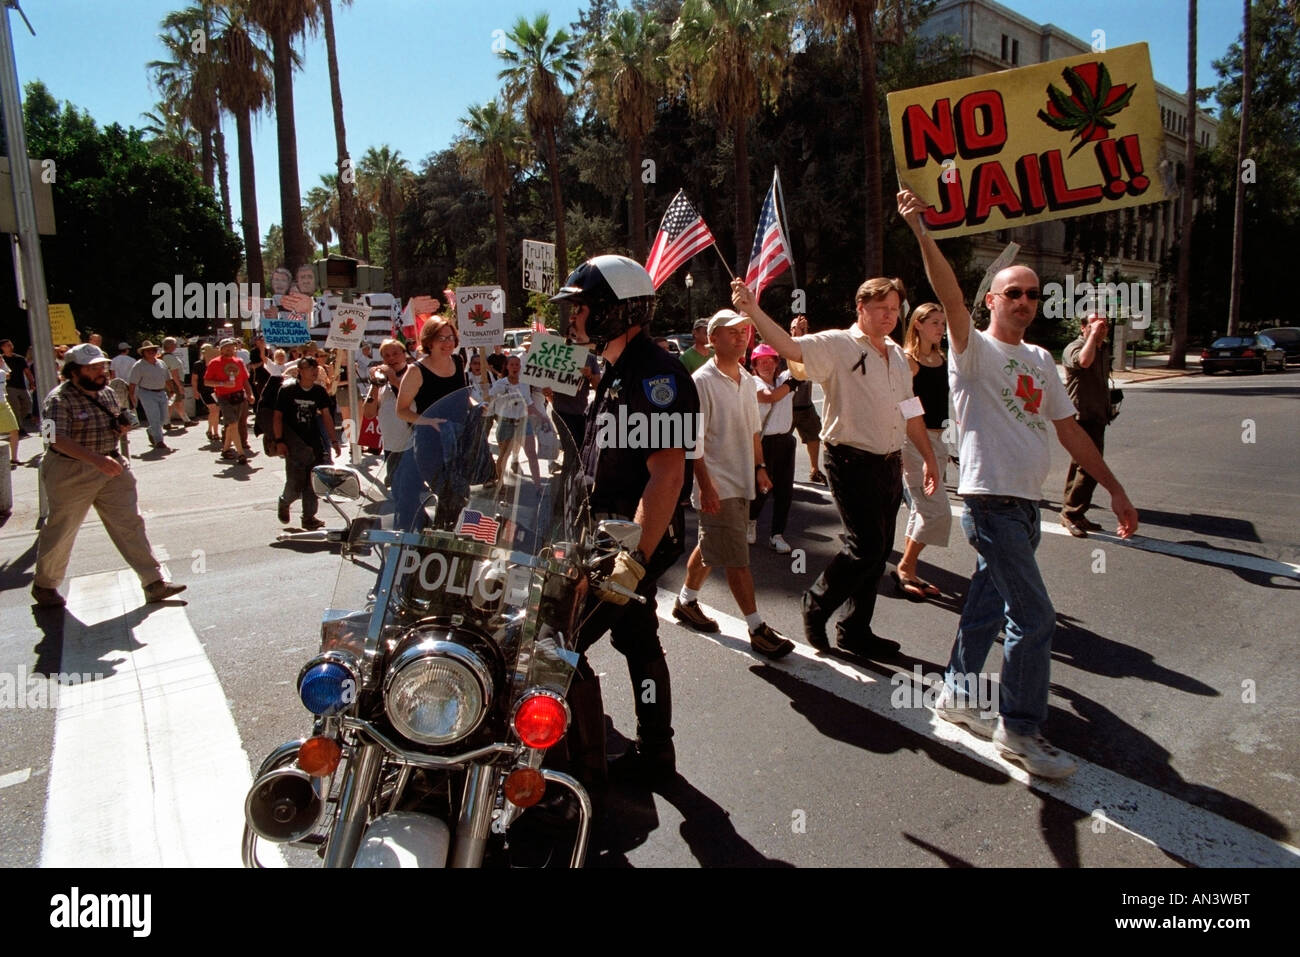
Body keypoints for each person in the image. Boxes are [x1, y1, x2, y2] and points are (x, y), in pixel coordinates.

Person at [898, 186, 1138, 779]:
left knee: (986, 605)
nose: (1025, 301)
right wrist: (921, 229)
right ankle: (1020, 731)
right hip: (989, 504)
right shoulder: (971, 349)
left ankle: (956, 695)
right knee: (1035, 619)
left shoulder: (1040, 359)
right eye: (1014, 293)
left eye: (1033, 294)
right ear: (992, 301)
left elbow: (1071, 431)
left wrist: (1113, 487)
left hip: (1029, 509)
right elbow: (949, 294)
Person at [731, 276, 939, 660]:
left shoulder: (894, 352)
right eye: (881, 309)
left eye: (894, 309)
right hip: (850, 461)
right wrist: (752, 309)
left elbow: (910, 409)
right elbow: (789, 346)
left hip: (889, 464)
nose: (890, 316)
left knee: (877, 555)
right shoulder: (838, 344)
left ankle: (855, 630)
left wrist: (928, 456)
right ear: (860, 308)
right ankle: (817, 603)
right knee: (866, 547)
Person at [550, 253, 698, 787]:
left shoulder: (656, 373)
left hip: (632, 538)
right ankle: (657, 752)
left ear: (616, 311)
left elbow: (666, 477)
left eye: (582, 308)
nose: (574, 319)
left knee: (560, 643)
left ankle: (574, 763)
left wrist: (632, 560)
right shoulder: (616, 368)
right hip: (607, 531)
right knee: (637, 640)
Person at [671, 311, 795, 659]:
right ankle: (757, 628)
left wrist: (759, 466)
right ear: (713, 340)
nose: (742, 337)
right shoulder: (701, 382)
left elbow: (754, 429)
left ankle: (685, 602)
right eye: (732, 333)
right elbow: (692, 441)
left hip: (742, 478)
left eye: (744, 332)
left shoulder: (744, 376)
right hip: (719, 482)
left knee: (714, 545)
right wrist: (705, 486)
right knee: (737, 557)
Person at [30, 344, 185, 607]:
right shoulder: (56, 399)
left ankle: (153, 582)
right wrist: (95, 459)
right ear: (74, 371)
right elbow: (51, 438)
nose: (100, 372)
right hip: (71, 470)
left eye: (101, 366)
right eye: (92, 368)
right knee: (61, 529)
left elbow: (116, 421)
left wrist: (121, 428)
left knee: (130, 524)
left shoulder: (108, 393)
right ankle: (45, 585)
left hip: (111, 465)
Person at [894, 303, 953, 599]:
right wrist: (925, 447)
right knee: (937, 511)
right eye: (934, 323)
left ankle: (909, 569)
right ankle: (905, 566)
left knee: (921, 508)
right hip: (916, 443)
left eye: (943, 323)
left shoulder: (941, 357)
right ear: (917, 324)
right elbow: (904, 405)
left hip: (939, 442)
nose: (941, 328)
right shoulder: (909, 361)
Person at [392, 316, 467, 530]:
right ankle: (434, 537)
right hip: (430, 442)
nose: (447, 343)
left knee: (461, 495)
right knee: (446, 493)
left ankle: (445, 537)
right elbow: (401, 410)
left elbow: (461, 395)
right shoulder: (416, 370)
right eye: (441, 338)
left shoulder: (458, 361)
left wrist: (479, 404)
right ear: (429, 341)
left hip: (458, 439)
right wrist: (428, 421)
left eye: (450, 337)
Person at [1060, 311, 1113, 537]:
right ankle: (1071, 513)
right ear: (1083, 328)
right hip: (1080, 415)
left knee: (1082, 466)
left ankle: (1075, 512)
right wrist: (1092, 336)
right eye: (1094, 324)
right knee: (1088, 466)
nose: (1101, 329)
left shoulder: (1103, 349)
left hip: (1097, 414)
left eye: (1104, 326)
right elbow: (1083, 361)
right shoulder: (1075, 347)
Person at [272, 356, 337, 530]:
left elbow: (327, 416)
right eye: (310, 368)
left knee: (312, 483)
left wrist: (334, 440)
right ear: (300, 371)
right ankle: (285, 502)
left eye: (316, 368)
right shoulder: (287, 391)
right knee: (295, 483)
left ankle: (308, 517)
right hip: (294, 443)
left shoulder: (319, 392)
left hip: (314, 443)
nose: (314, 371)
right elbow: (277, 417)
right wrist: (279, 441)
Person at [748, 342, 797, 554]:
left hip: (785, 441)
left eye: (771, 360)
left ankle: (777, 535)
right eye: (761, 362)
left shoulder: (785, 379)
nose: (767, 365)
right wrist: (792, 386)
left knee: (785, 491)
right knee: (761, 490)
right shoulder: (753, 383)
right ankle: (750, 521)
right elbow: (769, 397)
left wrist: (797, 336)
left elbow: (799, 360)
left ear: (777, 363)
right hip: (762, 442)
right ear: (755, 366)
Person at [359, 339, 414, 487]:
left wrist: (393, 378)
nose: (391, 358)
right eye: (386, 355)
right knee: (396, 486)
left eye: (395, 354)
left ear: (404, 354)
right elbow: (369, 414)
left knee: (408, 488)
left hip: (412, 444)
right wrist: (375, 385)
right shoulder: (382, 381)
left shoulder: (413, 373)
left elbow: (412, 399)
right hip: (391, 445)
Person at [488, 355, 541, 483]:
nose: (515, 367)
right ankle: (500, 484)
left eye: (517, 364)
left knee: (532, 454)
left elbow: (529, 402)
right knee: (504, 456)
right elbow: (489, 399)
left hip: (523, 422)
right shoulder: (500, 384)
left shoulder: (524, 384)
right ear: (507, 367)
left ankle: (538, 487)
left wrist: (543, 417)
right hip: (506, 423)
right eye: (511, 365)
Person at [787, 316, 826, 484]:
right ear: (790, 330)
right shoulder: (786, 347)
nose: (799, 329)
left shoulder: (809, 346)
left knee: (814, 436)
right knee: (780, 440)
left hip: (806, 405)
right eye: (795, 327)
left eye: (802, 327)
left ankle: (814, 469)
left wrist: (805, 333)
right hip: (787, 405)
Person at [205, 338, 254, 464]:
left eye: (232, 347)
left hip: (239, 396)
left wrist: (250, 394)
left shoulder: (239, 362)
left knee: (233, 425)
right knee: (232, 424)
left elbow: (245, 380)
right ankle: (241, 454)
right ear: (221, 349)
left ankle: (226, 449)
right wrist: (223, 383)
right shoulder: (214, 363)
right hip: (224, 397)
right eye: (226, 347)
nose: (229, 349)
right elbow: (207, 381)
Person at [127, 341, 173, 450]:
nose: (151, 352)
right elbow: (132, 383)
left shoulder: (161, 363)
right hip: (146, 392)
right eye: (148, 351)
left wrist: (172, 390)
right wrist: (132, 396)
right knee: (154, 417)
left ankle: (151, 430)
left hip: (161, 392)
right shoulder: (139, 365)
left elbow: (167, 378)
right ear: (143, 353)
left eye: (153, 350)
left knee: (164, 417)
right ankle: (159, 441)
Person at [2, 338, 35, 435]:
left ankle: (17, 421)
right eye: (8, 345)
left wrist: (32, 382)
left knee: (28, 404)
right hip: (9, 387)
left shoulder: (19, 358)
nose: (10, 347)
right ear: (2, 348)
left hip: (21, 386)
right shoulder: (2, 360)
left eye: (11, 344)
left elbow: (27, 372)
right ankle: (20, 428)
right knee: (15, 406)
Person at [160, 337, 194, 426]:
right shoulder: (170, 358)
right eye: (175, 344)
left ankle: (167, 422)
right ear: (171, 346)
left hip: (168, 382)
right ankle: (186, 420)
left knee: (172, 402)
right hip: (174, 382)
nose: (176, 346)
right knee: (178, 402)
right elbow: (174, 374)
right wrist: (179, 386)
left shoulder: (163, 356)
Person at [194, 342, 219, 441]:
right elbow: (194, 379)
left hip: (215, 389)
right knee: (213, 410)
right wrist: (195, 391)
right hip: (204, 390)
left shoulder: (215, 363)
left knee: (216, 411)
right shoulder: (198, 364)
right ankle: (213, 432)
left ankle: (212, 430)